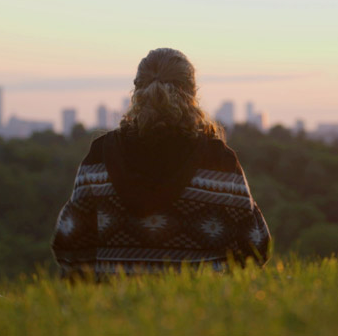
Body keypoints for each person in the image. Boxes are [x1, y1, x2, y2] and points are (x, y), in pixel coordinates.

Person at [51, 48, 270, 278]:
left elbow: (67, 246)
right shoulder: (220, 161)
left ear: (136, 93)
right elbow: (257, 246)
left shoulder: (100, 156)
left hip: (113, 307)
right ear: (192, 94)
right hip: (202, 308)